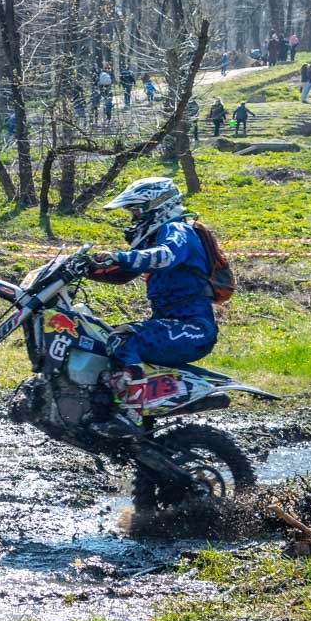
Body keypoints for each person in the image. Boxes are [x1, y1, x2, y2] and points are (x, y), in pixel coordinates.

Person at [88, 178, 219, 437]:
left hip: (192, 328)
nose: (134, 218)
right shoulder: (159, 236)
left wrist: (117, 256)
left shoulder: (178, 230)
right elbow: (122, 274)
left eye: (137, 211)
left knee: (124, 341)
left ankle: (131, 418)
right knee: (101, 340)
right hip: (174, 325)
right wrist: (85, 268)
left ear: (157, 206)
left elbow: (164, 256)